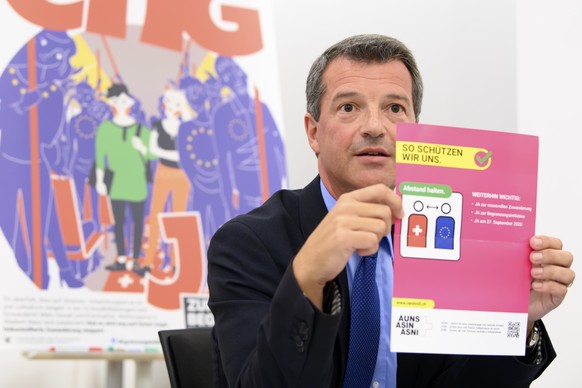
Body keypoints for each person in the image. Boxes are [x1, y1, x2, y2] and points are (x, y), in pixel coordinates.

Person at [207, 34, 575, 387]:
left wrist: (515, 321)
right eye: (348, 107)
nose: (374, 127)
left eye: (394, 108)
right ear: (313, 132)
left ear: (416, 130)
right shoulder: (247, 243)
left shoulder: (451, 238)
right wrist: (308, 278)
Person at [133, 88, 192, 277]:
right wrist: (173, 155)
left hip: (182, 176)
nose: (172, 107)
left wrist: (167, 153)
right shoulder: (158, 125)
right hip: (163, 173)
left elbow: (185, 153)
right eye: (169, 102)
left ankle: (176, 262)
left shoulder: (186, 127)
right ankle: (148, 261)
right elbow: (153, 149)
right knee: (156, 215)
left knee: (178, 218)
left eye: (177, 104)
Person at [95, 83, 151, 272]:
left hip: (137, 183)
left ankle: (135, 259)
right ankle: (120, 258)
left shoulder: (141, 129)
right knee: (118, 222)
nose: (121, 104)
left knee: (137, 223)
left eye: (124, 100)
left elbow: (151, 154)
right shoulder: (106, 129)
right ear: (111, 103)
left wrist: (141, 147)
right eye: (116, 101)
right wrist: (101, 180)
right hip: (116, 183)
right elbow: (100, 156)